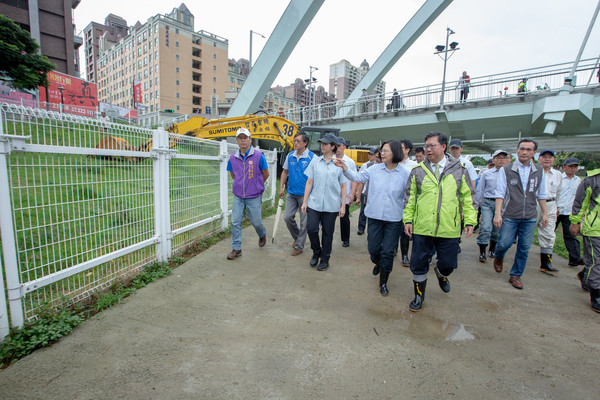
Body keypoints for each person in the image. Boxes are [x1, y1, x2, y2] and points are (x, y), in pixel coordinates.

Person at [403, 131, 477, 312]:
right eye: (426, 146)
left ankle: (442, 274)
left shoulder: (459, 170)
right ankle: (419, 296)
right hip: (422, 227)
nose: (428, 149)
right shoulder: (417, 171)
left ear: (443, 147)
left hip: (448, 228)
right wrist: (408, 220)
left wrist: (470, 221)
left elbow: (469, 197)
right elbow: (409, 198)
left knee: (448, 264)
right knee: (418, 264)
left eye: (432, 146)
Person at [335, 140, 410, 296]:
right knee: (374, 249)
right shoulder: (374, 169)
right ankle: (378, 263)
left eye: (386, 151)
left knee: (388, 252)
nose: (382, 153)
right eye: (381, 151)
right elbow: (356, 176)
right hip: (375, 216)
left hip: (394, 219)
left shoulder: (405, 174)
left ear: (395, 152)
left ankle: (383, 282)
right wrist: (344, 167)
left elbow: (409, 196)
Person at [493, 138, 548, 289]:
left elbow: (541, 194)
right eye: (522, 149)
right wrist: (498, 214)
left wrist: (545, 213)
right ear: (517, 150)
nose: (524, 152)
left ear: (534, 153)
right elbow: (500, 192)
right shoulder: (507, 169)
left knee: (524, 247)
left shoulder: (539, 171)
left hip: (530, 215)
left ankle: (516, 275)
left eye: (529, 150)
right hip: (510, 214)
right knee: (504, 242)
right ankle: (498, 256)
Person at [301, 133, 347, 271]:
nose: (322, 146)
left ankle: (325, 258)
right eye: (321, 143)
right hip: (314, 203)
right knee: (312, 228)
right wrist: (304, 202)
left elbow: (343, 186)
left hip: (331, 205)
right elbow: (309, 182)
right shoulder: (315, 161)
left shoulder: (339, 164)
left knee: (328, 233)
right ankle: (316, 251)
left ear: (332, 146)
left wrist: (343, 205)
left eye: (325, 144)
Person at [226, 128, 270, 260]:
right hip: (238, 196)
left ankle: (262, 234)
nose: (243, 140)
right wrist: (241, 184)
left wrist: (256, 185)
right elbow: (233, 174)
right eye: (240, 138)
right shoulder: (233, 158)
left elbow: (265, 173)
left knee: (256, 222)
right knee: (235, 222)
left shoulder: (258, 156)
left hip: (254, 196)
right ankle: (236, 248)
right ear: (237, 141)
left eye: (245, 138)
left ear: (250, 140)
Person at [569, 166, 600, 313]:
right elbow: (580, 203)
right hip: (594, 230)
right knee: (596, 262)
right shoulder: (592, 180)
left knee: (594, 264)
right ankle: (596, 294)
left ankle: (585, 274)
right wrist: (575, 222)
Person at [279, 132, 315, 256]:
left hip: (306, 195)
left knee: (304, 222)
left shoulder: (312, 157)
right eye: (294, 141)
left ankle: (299, 246)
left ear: (305, 143)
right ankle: (297, 237)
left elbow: (316, 177)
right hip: (291, 193)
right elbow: (284, 172)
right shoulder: (290, 156)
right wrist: (281, 188)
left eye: (298, 141)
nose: (295, 143)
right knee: (287, 217)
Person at [475, 150, 511, 262]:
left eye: (503, 158)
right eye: (498, 158)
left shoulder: (509, 174)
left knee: (497, 229)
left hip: (502, 204)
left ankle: (492, 249)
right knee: (486, 226)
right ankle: (482, 250)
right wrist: (477, 204)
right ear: (494, 160)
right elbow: (480, 189)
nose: (501, 160)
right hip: (487, 202)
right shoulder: (487, 173)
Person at [536, 149, 562, 274]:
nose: (547, 159)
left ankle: (546, 263)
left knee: (549, 233)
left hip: (550, 204)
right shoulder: (534, 171)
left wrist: (557, 206)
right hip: (534, 204)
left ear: (553, 160)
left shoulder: (557, 175)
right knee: (526, 231)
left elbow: (559, 192)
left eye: (550, 157)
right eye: (544, 157)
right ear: (538, 159)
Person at [556, 158, 584, 266]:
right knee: (548, 233)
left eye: (575, 167)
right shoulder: (559, 178)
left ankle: (575, 258)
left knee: (570, 235)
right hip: (556, 210)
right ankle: (545, 255)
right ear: (564, 167)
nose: (573, 169)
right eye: (570, 166)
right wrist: (555, 206)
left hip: (568, 212)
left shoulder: (578, 181)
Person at [334, 137, 357, 247]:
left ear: (344, 147)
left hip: (345, 195)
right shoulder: (330, 159)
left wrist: (352, 193)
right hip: (332, 194)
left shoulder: (350, 162)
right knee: (329, 218)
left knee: (344, 218)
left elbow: (353, 178)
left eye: (339, 146)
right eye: (336, 145)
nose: (337, 148)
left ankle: (345, 239)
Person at [398, 139, 418, 266]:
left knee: (404, 229)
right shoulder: (392, 163)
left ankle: (405, 255)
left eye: (401, 148)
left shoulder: (413, 166)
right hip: (393, 201)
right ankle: (392, 249)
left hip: (407, 201)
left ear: (407, 150)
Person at [355, 147, 378, 236]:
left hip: (373, 194)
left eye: (372, 154)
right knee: (363, 211)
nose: (370, 156)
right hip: (365, 192)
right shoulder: (365, 165)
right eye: (369, 154)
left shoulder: (379, 165)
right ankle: (361, 228)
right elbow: (360, 179)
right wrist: (358, 194)